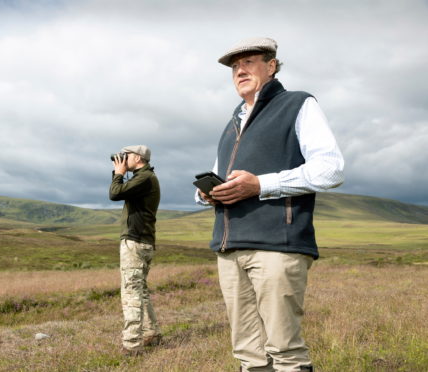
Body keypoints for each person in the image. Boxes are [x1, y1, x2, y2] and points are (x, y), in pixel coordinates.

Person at [196, 37, 344, 371]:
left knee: (285, 352)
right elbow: (221, 176)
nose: (239, 71)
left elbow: (331, 170)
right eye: (234, 67)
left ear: (272, 65)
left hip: (278, 245)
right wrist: (207, 193)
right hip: (230, 249)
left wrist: (261, 184)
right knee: (248, 354)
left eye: (248, 62)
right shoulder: (231, 123)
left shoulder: (298, 104)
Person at [109, 145, 162, 356]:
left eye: (126, 156)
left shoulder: (144, 178)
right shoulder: (144, 178)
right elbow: (121, 192)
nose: (122, 159)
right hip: (142, 241)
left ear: (138, 158)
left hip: (135, 242)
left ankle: (132, 345)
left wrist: (118, 175)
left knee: (131, 293)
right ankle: (152, 333)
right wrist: (120, 173)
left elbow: (115, 193)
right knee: (141, 292)